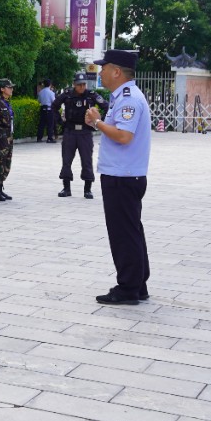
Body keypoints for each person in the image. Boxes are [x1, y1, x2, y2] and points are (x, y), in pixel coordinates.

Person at [86, 49, 152, 305]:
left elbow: (124, 136)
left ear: (116, 71)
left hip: (122, 176)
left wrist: (97, 122)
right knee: (131, 229)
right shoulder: (124, 96)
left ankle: (128, 288)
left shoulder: (128, 99)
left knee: (123, 233)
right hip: (124, 174)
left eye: (104, 68)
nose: (100, 72)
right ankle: (138, 283)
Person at [55, 71, 106, 199]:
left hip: (85, 132)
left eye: (84, 84)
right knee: (66, 160)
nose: (82, 87)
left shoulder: (91, 95)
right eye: (79, 84)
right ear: (74, 84)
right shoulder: (67, 95)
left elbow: (106, 106)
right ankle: (66, 188)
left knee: (87, 160)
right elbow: (54, 106)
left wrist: (99, 122)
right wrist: (60, 122)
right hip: (70, 132)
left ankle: (87, 189)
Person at [0, 78, 16, 201]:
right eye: (9, 87)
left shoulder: (6, 103)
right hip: (0, 138)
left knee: (6, 163)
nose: (11, 89)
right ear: (2, 89)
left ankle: (0, 189)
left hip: (8, 137)